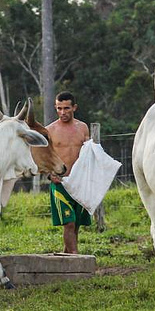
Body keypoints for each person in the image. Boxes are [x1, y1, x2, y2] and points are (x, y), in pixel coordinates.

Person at [46, 91, 91, 253]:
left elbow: (89, 153)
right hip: (60, 183)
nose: (62, 112)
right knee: (69, 223)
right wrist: (49, 174)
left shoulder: (83, 128)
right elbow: (42, 156)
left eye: (66, 108)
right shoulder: (50, 130)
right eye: (59, 108)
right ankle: (75, 257)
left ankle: (67, 255)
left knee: (76, 224)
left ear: (74, 108)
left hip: (79, 183)